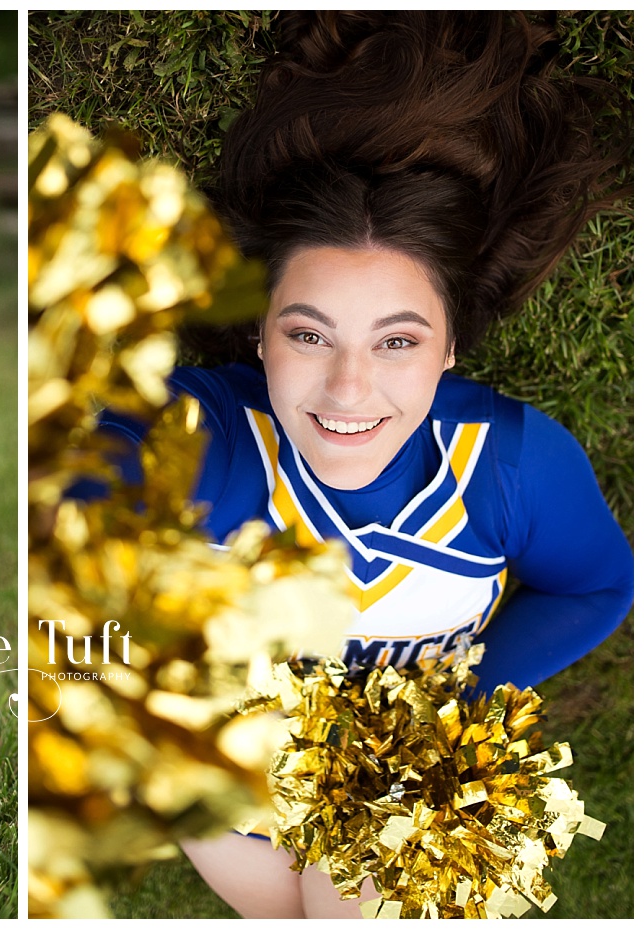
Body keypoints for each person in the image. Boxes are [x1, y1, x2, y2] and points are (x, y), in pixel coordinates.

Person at [99, 12, 632, 919]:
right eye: (310, 335)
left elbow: (596, 585)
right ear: (261, 330)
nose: (349, 390)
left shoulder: (508, 463)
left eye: (397, 341)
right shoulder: (213, 436)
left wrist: (456, 704)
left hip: (425, 769)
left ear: (451, 344)